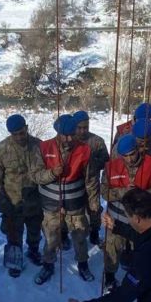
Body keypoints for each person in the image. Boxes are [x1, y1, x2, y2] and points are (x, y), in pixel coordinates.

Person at [34, 114, 98, 284]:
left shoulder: (84, 150)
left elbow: (91, 180)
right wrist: (52, 173)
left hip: (75, 205)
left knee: (79, 237)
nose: (70, 139)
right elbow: (35, 176)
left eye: (73, 134)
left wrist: (93, 202)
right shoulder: (43, 148)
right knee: (51, 238)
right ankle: (48, 265)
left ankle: (83, 264)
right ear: (57, 133)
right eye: (66, 135)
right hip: (50, 205)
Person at [0, 114, 54, 277]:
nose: (19, 136)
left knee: (34, 232)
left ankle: (33, 251)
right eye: (15, 134)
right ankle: (14, 260)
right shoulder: (0, 149)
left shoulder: (39, 145)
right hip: (12, 202)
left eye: (21, 132)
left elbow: (46, 172)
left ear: (26, 128)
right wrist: (2, 201)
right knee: (13, 234)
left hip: (35, 201)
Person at [101, 134, 151, 291]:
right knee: (112, 249)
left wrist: (143, 194)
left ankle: (135, 278)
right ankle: (110, 277)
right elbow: (104, 191)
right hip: (115, 219)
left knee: (139, 252)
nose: (130, 159)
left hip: (140, 222)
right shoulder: (111, 167)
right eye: (125, 156)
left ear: (138, 149)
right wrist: (123, 192)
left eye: (132, 154)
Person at [73, 110, 110, 245]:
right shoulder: (68, 140)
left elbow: (106, 160)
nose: (82, 131)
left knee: (94, 208)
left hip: (92, 183)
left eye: (85, 128)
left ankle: (94, 232)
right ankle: (64, 233)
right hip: (72, 183)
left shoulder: (97, 141)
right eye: (79, 128)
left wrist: (92, 161)